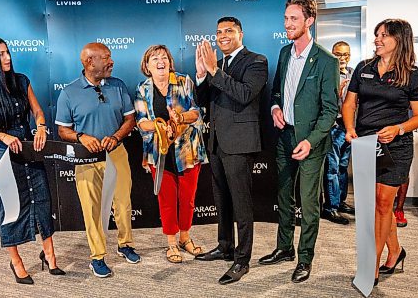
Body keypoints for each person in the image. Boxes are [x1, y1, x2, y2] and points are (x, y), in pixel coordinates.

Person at [0, 36, 64, 285]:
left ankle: (50, 254)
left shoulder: (21, 81)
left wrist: (41, 127)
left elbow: (38, 112)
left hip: (30, 148)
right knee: (11, 208)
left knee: (42, 200)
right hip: (4, 155)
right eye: (0, 54)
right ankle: (16, 261)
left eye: (7, 52)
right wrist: (1, 135)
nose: (7, 57)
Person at [259, 0, 339, 283]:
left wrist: (312, 141)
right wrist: (275, 108)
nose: (287, 24)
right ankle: (284, 249)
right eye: (285, 18)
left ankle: (305, 258)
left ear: (309, 21)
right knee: (283, 195)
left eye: (294, 18)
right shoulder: (284, 53)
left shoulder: (326, 61)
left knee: (308, 203)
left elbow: (331, 110)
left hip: (311, 142)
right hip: (285, 136)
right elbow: (278, 92)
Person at [342, 19, 418, 286]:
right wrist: (349, 128)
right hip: (366, 144)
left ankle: (372, 268)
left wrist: (399, 128)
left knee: (380, 205)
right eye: (377, 34)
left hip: (397, 146)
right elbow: (350, 103)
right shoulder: (363, 67)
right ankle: (395, 252)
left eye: (384, 35)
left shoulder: (412, 74)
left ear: (400, 40)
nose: (377, 39)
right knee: (377, 206)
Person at [55, 43, 141, 278]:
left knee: (123, 203)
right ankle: (97, 257)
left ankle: (125, 245)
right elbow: (63, 130)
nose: (111, 61)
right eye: (106, 58)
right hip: (86, 159)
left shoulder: (118, 85)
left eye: (110, 57)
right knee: (92, 208)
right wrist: (81, 137)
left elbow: (130, 120)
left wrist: (116, 136)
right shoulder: (69, 92)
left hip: (117, 153)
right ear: (89, 62)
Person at [194, 16, 268, 285]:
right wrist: (202, 76)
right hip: (216, 141)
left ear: (240, 33)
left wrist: (214, 72)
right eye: (218, 32)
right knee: (221, 198)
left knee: (241, 203)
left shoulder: (256, 61)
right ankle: (224, 246)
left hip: (240, 143)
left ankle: (242, 259)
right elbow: (203, 102)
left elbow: (245, 94)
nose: (222, 35)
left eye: (228, 31)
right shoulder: (218, 64)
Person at [134, 44, 208, 263]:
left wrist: (179, 120)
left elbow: (197, 112)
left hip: (187, 151)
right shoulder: (143, 88)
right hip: (159, 152)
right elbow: (140, 122)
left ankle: (185, 238)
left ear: (170, 62)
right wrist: (160, 126)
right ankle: (171, 243)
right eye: (155, 58)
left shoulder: (184, 81)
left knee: (187, 199)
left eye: (164, 57)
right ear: (147, 66)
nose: (160, 62)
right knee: (167, 200)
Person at [322, 41, 355, 225]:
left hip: (349, 127)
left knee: (343, 167)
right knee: (332, 169)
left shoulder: (353, 73)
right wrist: (337, 92)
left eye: (346, 54)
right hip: (334, 127)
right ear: (332, 54)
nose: (342, 58)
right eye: (338, 54)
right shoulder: (328, 74)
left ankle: (340, 202)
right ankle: (330, 207)